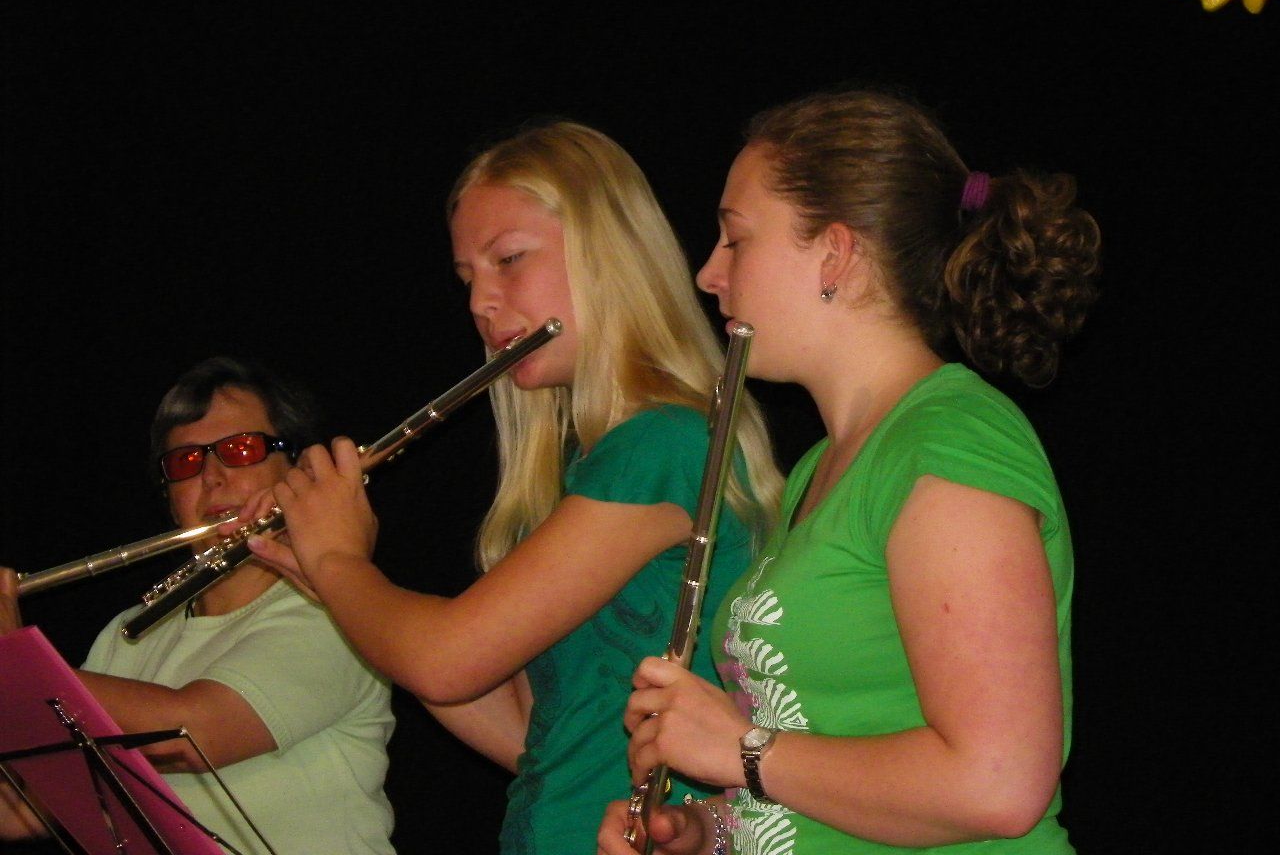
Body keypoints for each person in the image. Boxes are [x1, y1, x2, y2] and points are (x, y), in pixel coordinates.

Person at [241, 121, 786, 854]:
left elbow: (444, 658)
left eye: (508, 260)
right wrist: (324, 579)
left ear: (607, 253)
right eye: (468, 277)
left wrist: (341, 562)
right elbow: (533, 733)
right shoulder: (586, 467)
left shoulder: (662, 446)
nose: (481, 302)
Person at [597, 89, 1101, 855]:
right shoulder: (819, 468)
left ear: (834, 254)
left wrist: (740, 749)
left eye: (736, 239)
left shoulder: (951, 442)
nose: (708, 273)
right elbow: (823, 762)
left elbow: (998, 784)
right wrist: (704, 831)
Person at [0, 357, 396, 855]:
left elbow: (189, 735)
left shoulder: (338, 615)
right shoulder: (129, 633)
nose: (212, 476)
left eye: (241, 449)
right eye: (185, 462)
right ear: (171, 500)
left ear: (298, 472)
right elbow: (23, 811)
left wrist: (11, 656)